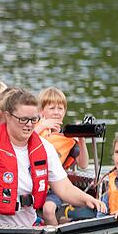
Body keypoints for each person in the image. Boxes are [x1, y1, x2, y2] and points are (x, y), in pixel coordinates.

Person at [0, 88, 105, 234]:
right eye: (23, 119)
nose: (29, 125)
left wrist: (86, 199)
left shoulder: (45, 148)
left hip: (25, 229)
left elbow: (64, 188)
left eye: (34, 120)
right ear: (7, 117)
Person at [35, 87, 90, 225]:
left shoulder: (68, 138)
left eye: (60, 108)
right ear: (41, 111)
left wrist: (81, 140)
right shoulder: (33, 128)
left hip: (54, 186)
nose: (56, 112)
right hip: (33, 184)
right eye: (52, 108)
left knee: (48, 210)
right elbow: (23, 143)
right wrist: (42, 126)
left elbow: (83, 164)